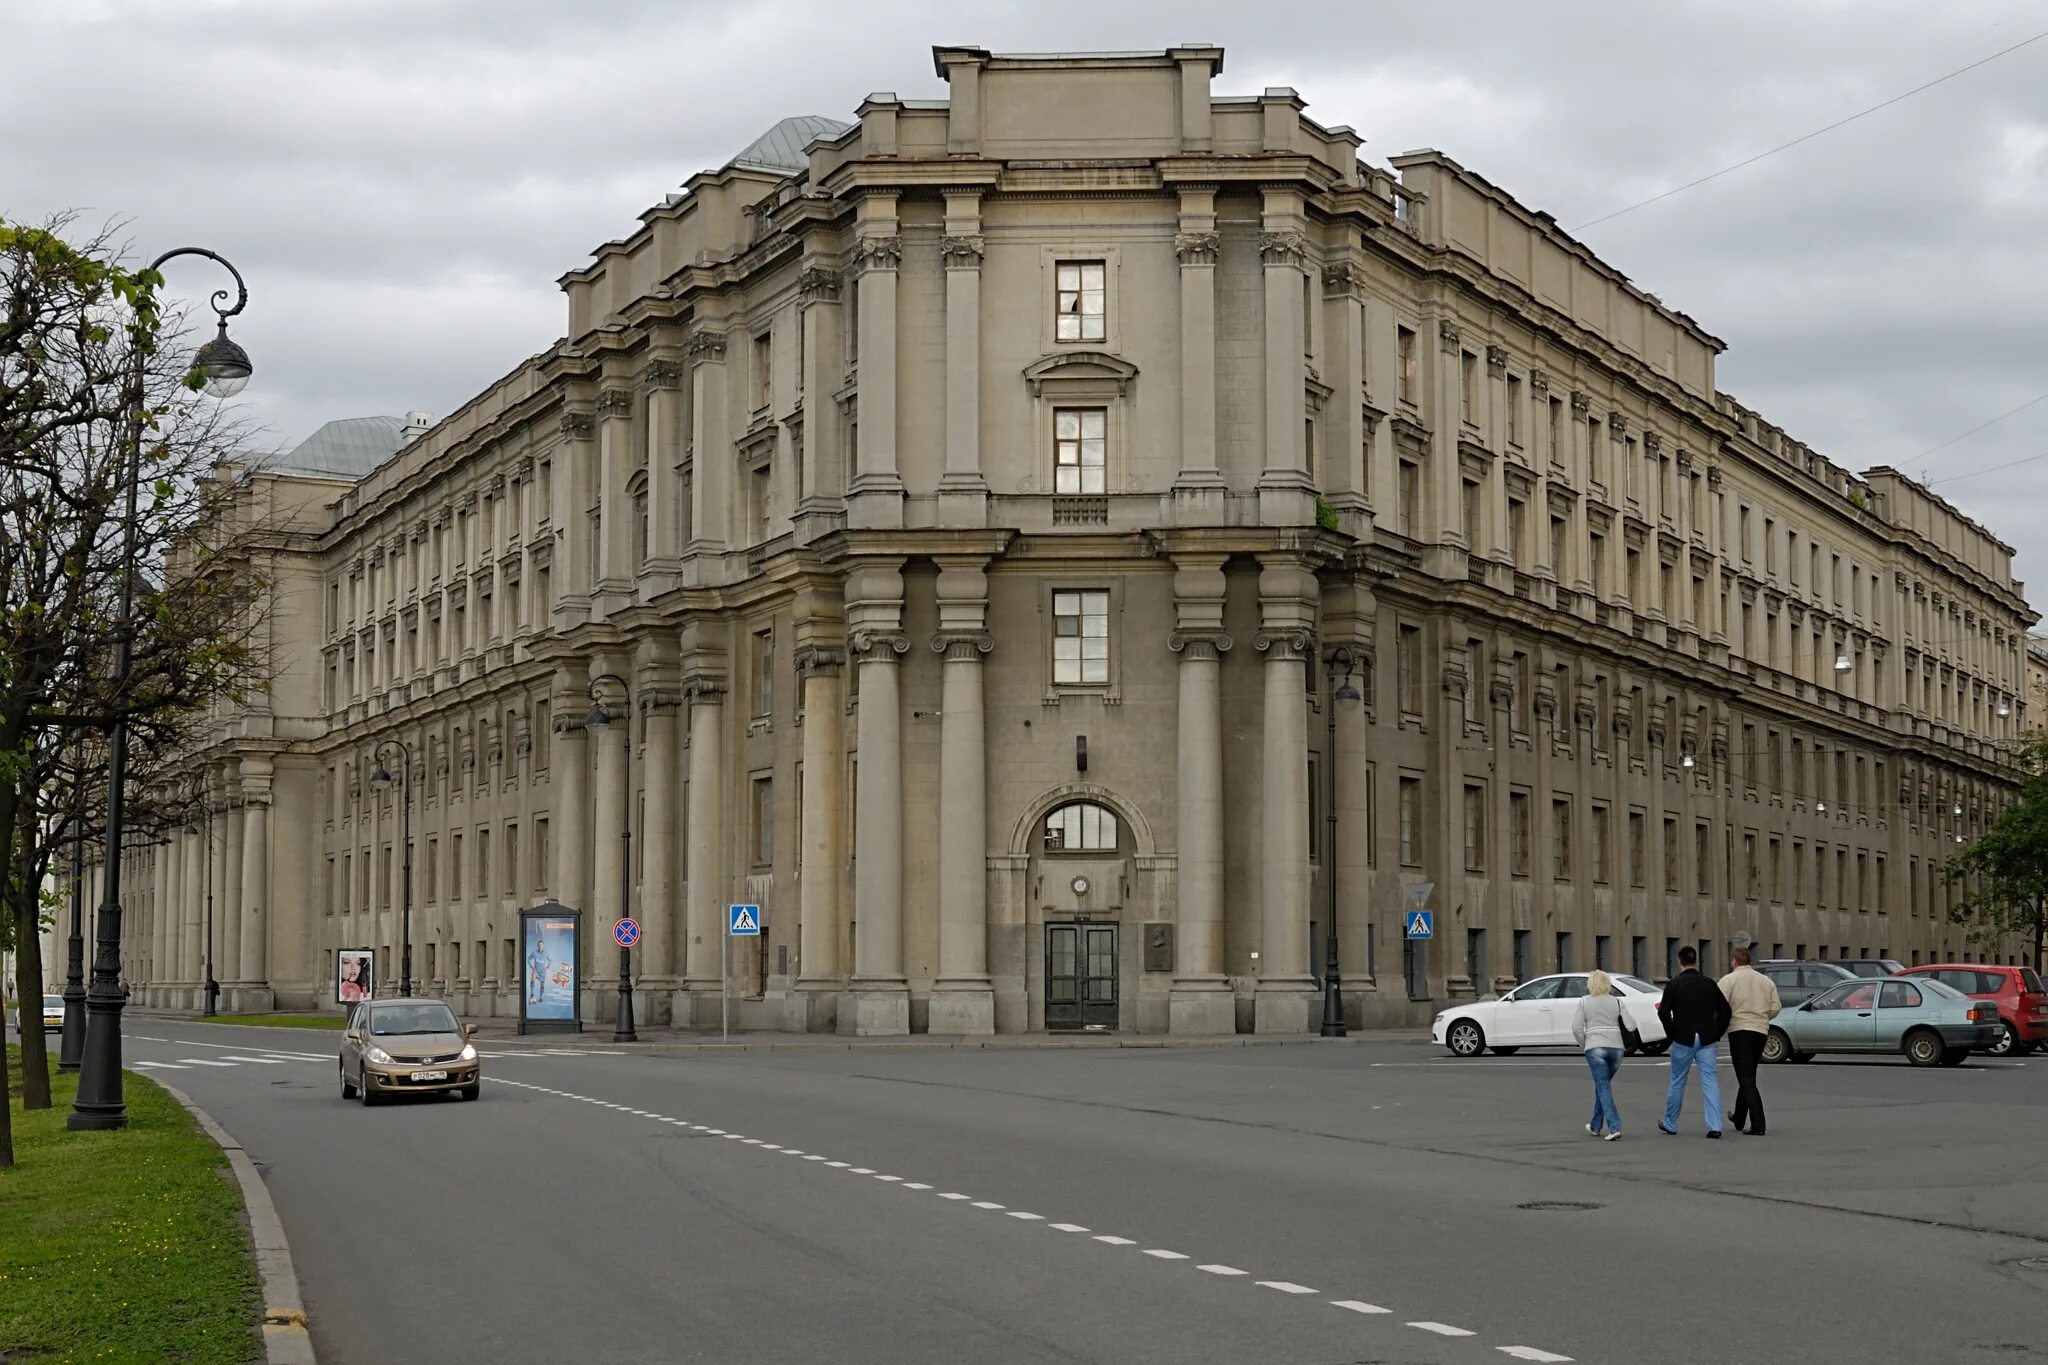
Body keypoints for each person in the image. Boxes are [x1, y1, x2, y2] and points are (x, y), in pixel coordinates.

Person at [1655, 945, 1732, 1138]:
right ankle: (1714, 1125)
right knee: (1710, 1080)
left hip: (1683, 1037)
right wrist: (1717, 1032)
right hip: (1707, 1037)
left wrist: (1672, 1032)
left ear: (1679, 961)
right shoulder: (1708, 983)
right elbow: (1725, 1011)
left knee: (1677, 1081)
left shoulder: (1674, 984)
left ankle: (1671, 1123)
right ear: (1696, 961)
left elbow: (1663, 1012)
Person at [1718, 947, 1781, 1136]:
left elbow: (1719, 1004)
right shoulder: (1765, 981)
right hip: (1760, 1030)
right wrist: (1763, 1017)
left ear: (1734, 961)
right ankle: (1739, 1116)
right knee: (1748, 1075)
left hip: (1739, 1029)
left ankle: (1758, 1123)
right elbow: (1776, 1007)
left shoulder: (1729, 980)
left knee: (1745, 1078)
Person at [1571, 969, 1627, 1141]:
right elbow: (1631, 1025)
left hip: (1595, 1048)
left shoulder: (1584, 1002)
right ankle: (1595, 1125)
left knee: (1603, 1086)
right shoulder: (1616, 1001)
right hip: (1617, 1048)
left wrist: (1584, 1044)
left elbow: (1576, 1028)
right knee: (1602, 1086)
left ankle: (1614, 1126)